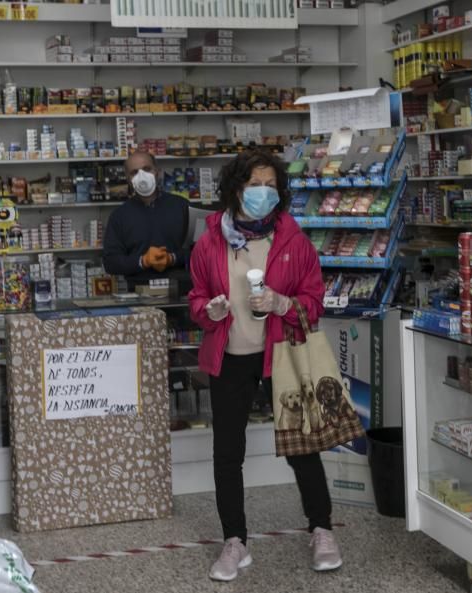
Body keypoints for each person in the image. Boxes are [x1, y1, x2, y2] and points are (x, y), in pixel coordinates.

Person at [188, 149, 337, 582]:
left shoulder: (291, 238)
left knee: (301, 446)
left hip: (283, 354)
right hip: (230, 356)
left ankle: (322, 529)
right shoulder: (211, 239)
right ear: (236, 188)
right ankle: (234, 541)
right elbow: (197, 297)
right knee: (227, 453)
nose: (263, 193)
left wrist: (282, 302)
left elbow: (314, 302)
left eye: (271, 185)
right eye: (255, 184)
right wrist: (209, 312)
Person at [102, 151, 190, 290]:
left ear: (157, 171)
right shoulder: (119, 216)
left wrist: (172, 258)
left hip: (180, 290)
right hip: (138, 293)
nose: (141, 176)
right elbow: (110, 262)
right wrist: (143, 261)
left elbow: (200, 251)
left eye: (147, 169)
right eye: (134, 172)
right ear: (128, 179)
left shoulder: (182, 207)